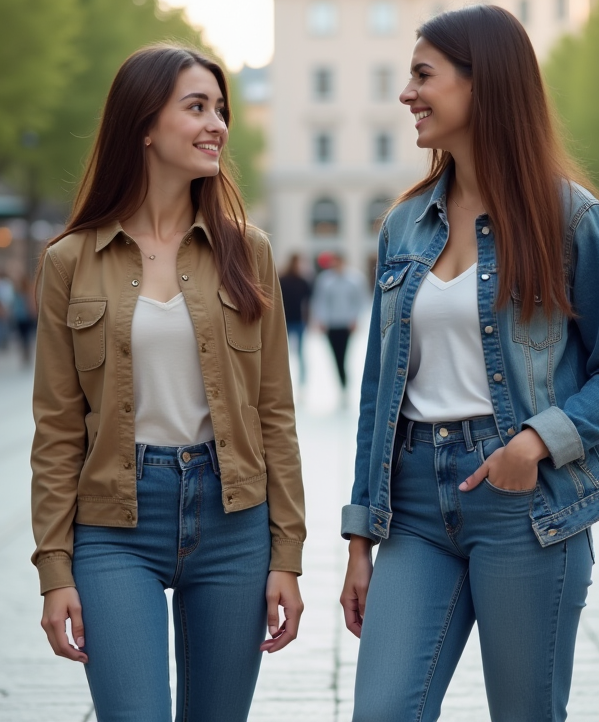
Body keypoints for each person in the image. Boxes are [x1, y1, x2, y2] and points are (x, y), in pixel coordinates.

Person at [339, 6, 599, 722]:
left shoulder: (570, 217)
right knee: (382, 712)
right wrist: (361, 537)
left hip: (524, 503)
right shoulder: (404, 224)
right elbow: (377, 393)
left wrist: (537, 442)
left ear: (486, 84)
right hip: (414, 505)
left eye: (424, 75)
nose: (406, 93)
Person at [31, 45, 306, 722]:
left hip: (232, 520)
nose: (216, 124)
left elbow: (275, 411)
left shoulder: (250, 251)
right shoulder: (70, 260)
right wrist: (54, 571)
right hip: (115, 524)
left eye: (220, 109)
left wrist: (288, 554)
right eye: (196, 107)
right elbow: (58, 427)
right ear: (145, 125)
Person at [311, 252, 367, 393]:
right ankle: (342, 382)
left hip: (347, 324)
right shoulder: (325, 279)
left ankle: (344, 382)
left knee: (344, 354)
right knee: (335, 355)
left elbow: (361, 300)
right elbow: (320, 301)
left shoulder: (355, 279)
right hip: (331, 324)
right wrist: (320, 320)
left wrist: (355, 319)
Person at [278, 253, 312, 381]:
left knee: (300, 353)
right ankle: (284, 379)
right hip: (285, 320)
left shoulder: (303, 281)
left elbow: (308, 302)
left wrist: (308, 319)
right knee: (283, 352)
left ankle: (302, 381)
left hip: (298, 320)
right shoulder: (283, 279)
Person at [13, 272, 38, 366]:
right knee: (25, 337)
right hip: (23, 317)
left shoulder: (24, 291)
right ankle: (26, 354)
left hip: (22, 317)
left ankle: (26, 354)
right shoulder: (19, 291)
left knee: (24, 337)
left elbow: (30, 303)